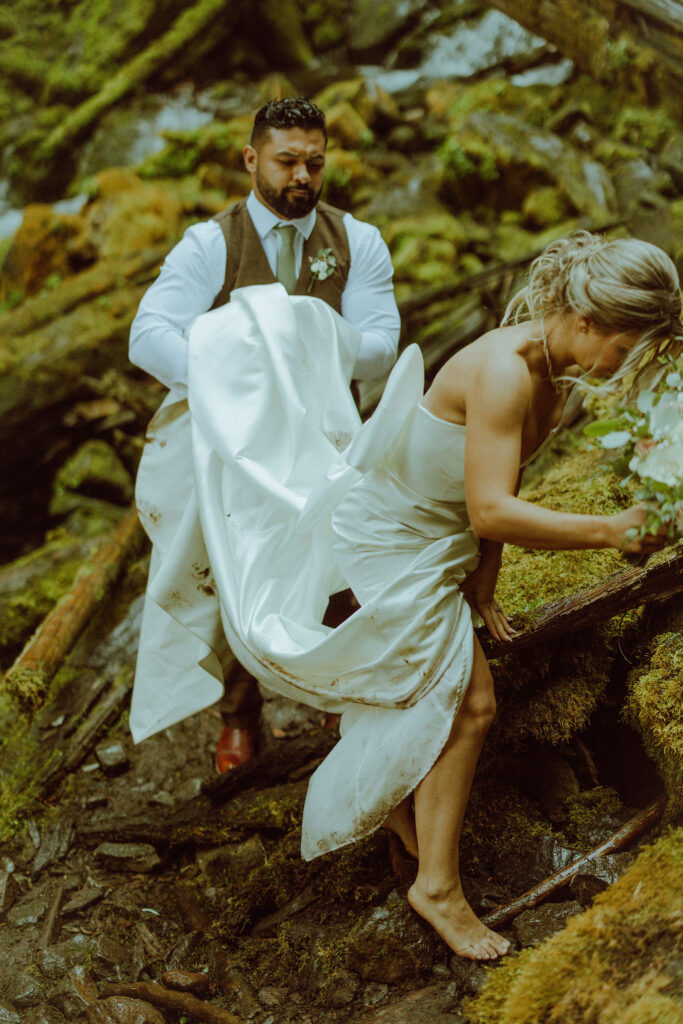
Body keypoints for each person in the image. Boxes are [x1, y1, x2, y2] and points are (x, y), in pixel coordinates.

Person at [131, 230, 681, 961]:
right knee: (471, 706)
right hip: (388, 541)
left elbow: (492, 492)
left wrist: (482, 583)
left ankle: (396, 806)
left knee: (439, 689)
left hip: (440, 539)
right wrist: (608, 531)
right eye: (626, 348)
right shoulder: (504, 374)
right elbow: (491, 508)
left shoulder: (553, 369)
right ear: (586, 323)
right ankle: (437, 888)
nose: (626, 367)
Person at [129, 96, 400, 772]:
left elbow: (381, 346)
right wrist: (236, 368)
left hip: (329, 435)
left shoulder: (356, 241)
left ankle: (343, 694)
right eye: (286, 162)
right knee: (230, 567)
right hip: (233, 446)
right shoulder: (209, 244)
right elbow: (148, 336)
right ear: (251, 159)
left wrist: (302, 337)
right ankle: (239, 712)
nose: (301, 177)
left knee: (341, 559)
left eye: (314, 162)